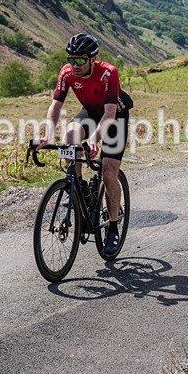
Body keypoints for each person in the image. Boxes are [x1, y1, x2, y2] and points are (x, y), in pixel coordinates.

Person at [37, 33, 133, 255]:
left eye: (80, 60)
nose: (75, 65)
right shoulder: (67, 72)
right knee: (69, 136)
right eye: (71, 59)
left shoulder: (108, 73)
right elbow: (55, 107)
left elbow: (109, 114)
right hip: (90, 112)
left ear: (93, 58)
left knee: (109, 172)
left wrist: (93, 140)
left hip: (114, 117)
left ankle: (112, 226)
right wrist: (47, 135)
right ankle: (78, 188)